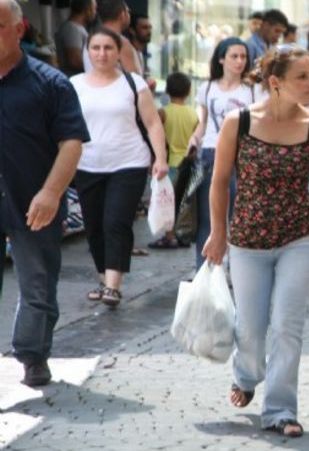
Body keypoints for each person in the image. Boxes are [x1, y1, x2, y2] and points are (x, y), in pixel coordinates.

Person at [201, 46, 309, 438]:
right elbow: (218, 183)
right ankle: (246, 374)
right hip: (247, 241)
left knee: (287, 324)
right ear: (275, 82)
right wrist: (218, 233)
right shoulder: (240, 122)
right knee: (250, 327)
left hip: (297, 237)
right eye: (302, 76)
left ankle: (281, 409)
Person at [0, 0, 90, 387]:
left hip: (31, 200)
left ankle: (33, 356)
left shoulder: (50, 83)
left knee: (37, 285)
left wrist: (52, 192)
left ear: (19, 30)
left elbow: (72, 141)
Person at [71, 27, 168, 306]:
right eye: (96, 48)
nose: (102, 54)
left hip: (128, 162)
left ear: (118, 53)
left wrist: (160, 159)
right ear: (87, 52)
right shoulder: (74, 84)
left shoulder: (132, 82)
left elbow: (152, 123)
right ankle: (103, 278)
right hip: (87, 164)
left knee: (116, 222)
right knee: (94, 226)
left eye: (108, 48)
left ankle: (113, 285)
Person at [187, 37, 256, 269]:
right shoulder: (208, 87)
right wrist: (194, 139)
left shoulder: (252, 89)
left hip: (243, 157)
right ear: (221, 59)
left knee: (239, 215)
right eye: (234, 56)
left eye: (243, 57)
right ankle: (205, 269)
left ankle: (238, 269)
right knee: (209, 215)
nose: (239, 61)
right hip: (210, 154)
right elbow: (203, 122)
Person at [148, 72, 198, 249]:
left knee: (167, 201)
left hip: (169, 164)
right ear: (189, 91)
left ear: (167, 90)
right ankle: (181, 233)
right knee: (183, 201)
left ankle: (170, 236)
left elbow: (155, 136)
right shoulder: (193, 114)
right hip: (187, 164)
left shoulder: (162, 113)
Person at [82, 0, 142, 75]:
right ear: (122, 14)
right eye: (128, 11)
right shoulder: (120, 42)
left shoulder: (91, 40)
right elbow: (135, 80)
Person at [54, 0, 96, 77]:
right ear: (87, 9)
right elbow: (75, 61)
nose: (95, 12)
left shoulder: (77, 28)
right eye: (94, 8)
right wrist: (99, 68)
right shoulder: (72, 29)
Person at [126, 13, 153, 78]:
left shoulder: (140, 54)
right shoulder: (129, 54)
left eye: (150, 27)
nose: (149, 32)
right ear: (132, 30)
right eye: (144, 28)